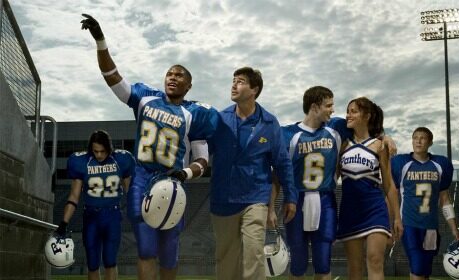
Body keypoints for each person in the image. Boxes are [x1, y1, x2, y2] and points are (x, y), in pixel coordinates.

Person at [81, 14, 217, 280]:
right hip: (142, 178)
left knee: (169, 253)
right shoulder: (145, 98)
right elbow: (112, 77)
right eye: (170, 73)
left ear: (189, 85)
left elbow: (202, 160)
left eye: (179, 76)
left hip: (173, 182)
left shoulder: (194, 114)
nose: (173, 78)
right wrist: (100, 40)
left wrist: (185, 174)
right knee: (145, 249)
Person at [207, 66, 298, 280]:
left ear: (254, 89)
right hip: (223, 200)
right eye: (233, 80)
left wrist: (291, 197)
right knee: (226, 259)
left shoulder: (269, 123)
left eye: (240, 81)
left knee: (254, 253)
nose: (233, 84)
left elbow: (283, 163)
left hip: (255, 198)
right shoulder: (219, 120)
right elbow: (202, 151)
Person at [268, 86, 350, 280]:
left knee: (323, 260)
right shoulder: (287, 134)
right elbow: (276, 178)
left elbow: (369, 126)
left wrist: (385, 136)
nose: (332, 109)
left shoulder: (336, 128)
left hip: (325, 199)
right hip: (295, 200)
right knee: (298, 261)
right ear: (314, 107)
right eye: (328, 105)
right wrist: (270, 208)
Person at [336, 97, 403, 280]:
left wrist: (397, 217)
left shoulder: (380, 146)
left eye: (353, 111)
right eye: (348, 111)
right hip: (350, 211)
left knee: (375, 261)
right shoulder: (341, 146)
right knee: (355, 268)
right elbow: (332, 179)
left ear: (367, 116)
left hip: (374, 209)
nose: (348, 115)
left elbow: (389, 185)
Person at [55, 130, 135, 280]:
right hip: (91, 217)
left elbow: (130, 192)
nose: (98, 155)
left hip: (112, 216)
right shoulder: (81, 162)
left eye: (102, 151)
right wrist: (64, 222)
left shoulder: (121, 159)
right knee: (92, 263)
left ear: (109, 148)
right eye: (95, 151)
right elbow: (74, 196)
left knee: (110, 261)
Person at [391, 127, 459, 280]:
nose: (418, 141)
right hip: (409, 224)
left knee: (424, 270)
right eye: (415, 137)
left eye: (423, 138)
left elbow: (444, 199)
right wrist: (391, 220)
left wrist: (454, 227)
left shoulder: (440, 164)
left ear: (430, 142)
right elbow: (392, 194)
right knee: (417, 268)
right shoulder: (401, 163)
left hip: (431, 227)